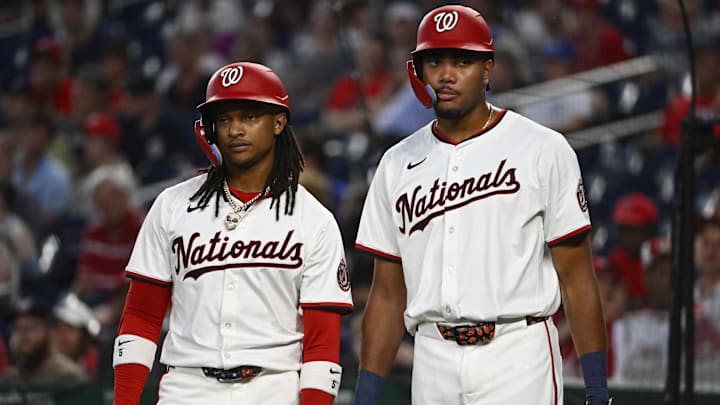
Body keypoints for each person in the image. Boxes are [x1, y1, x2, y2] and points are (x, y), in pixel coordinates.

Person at [353, 5, 610, 405]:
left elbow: (577, 278)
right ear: (418, 72)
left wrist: (597, 389)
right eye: (434, 61)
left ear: (488, 69)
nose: (447, 74)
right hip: (432, 356)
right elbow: (386, 296)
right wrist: (366, 396)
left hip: (517, 352)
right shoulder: (396, 163)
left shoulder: (542, 148)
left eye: (462, 61)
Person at [112, 62, 353, 405]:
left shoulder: (313, 219)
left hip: (273, 389)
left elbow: (322, 343)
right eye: (224, 119)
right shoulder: (172, 205)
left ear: (278, 122)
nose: (235, 129)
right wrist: (124, 400)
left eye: (249, 116)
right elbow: (142, 316)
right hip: (186, 387)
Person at [0, 298, 87, 385]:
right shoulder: (10, 377)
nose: (23, 336)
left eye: (30, 328)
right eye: (17, 328)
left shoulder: (67, 375)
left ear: (50, 331)